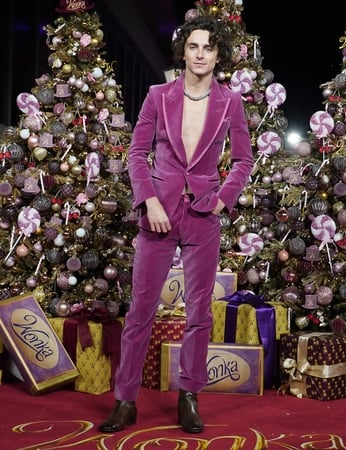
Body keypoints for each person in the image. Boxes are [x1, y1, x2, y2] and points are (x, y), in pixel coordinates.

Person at [99, 15, 253, 434]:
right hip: (158, 213)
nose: (200, 54)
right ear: (183, 52)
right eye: (193, 47)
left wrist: (223, 200)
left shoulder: (231, 102)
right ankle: (125, 400)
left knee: (199, 313)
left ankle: (189, 395)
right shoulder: (157, 95)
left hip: (204, 215)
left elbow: (243, 160)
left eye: (208, 48)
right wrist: (148, 200)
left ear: (218, 55)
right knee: (140, 311)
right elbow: (136, 154)